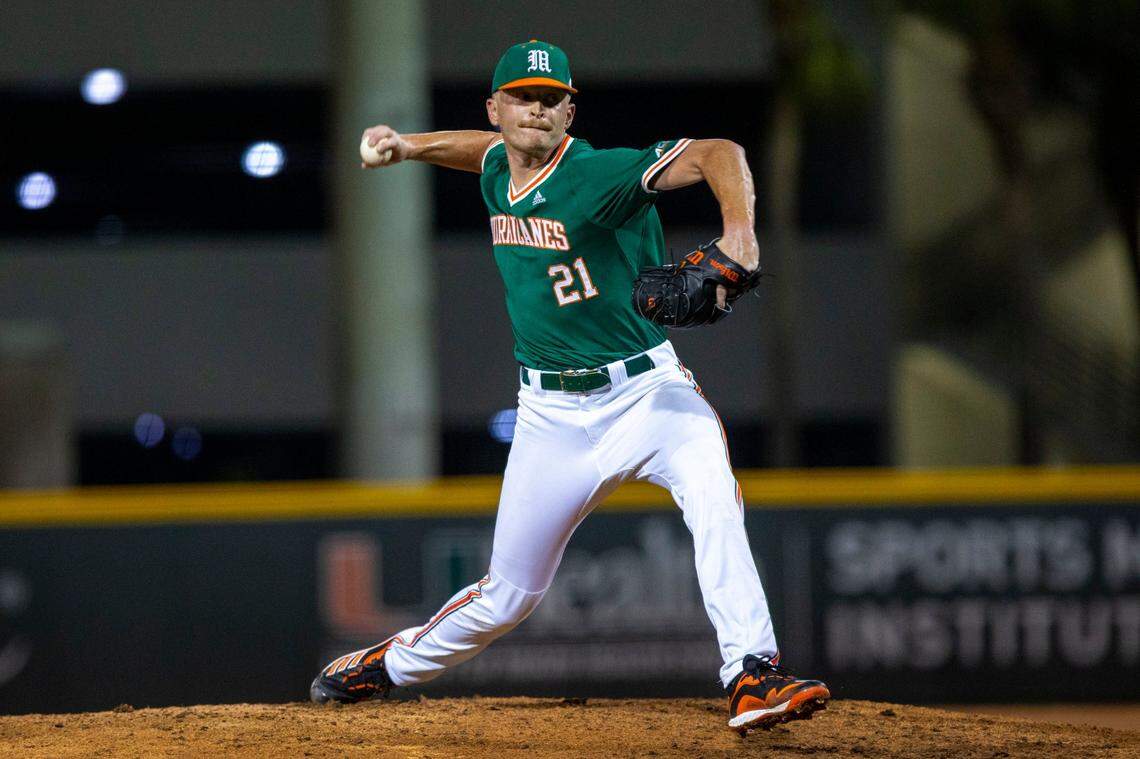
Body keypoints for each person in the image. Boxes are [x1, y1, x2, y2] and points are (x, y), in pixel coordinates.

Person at [310, 40, 830, 733]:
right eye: (521, 97)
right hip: (549, 414)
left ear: (570, 111)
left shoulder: (600, 176)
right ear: (496, 107)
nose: (536, 110)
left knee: (714, 497)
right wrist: (408, 145)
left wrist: (740, 236)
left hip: (648, 396)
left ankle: (751, 671)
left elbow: (718, 151)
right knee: (508, 597)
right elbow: (479, 152)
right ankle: (385, 665)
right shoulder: (499, 164)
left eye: (551, 99)